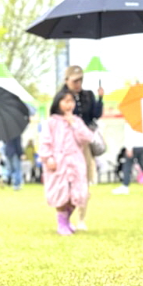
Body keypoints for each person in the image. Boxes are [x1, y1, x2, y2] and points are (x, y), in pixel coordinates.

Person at [40, 88, 93, 235]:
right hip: (58, 162)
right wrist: (48, 157)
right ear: (58, 103)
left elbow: (87, 138)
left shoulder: (77, 121)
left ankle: (65, 219)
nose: (69, 105)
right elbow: (45, 142)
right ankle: (61, 223)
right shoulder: (51, 122)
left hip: (75, 162)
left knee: (76, 193)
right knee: (60, 192)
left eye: (71, 101)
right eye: (66, 101)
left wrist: (74, 124)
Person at [62, 65, 103, 230]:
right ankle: (65, 218)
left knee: (84, 181)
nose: (78, 83)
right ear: (67, 81)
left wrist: (100, 99)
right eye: (75, 80)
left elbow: (95, 115)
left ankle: (81, 219)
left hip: (84, 143)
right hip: (67, 144)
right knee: (67, 181)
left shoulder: (88, 95)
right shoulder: (62, 97)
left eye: (80, 80)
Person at [112, 122, 143, 194]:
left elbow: (129, 134)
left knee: (127, 167)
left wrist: (128, 147)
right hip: (142, 145)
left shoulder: (130, 121)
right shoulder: (142, 120)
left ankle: (125, 186)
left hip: (133, 146)